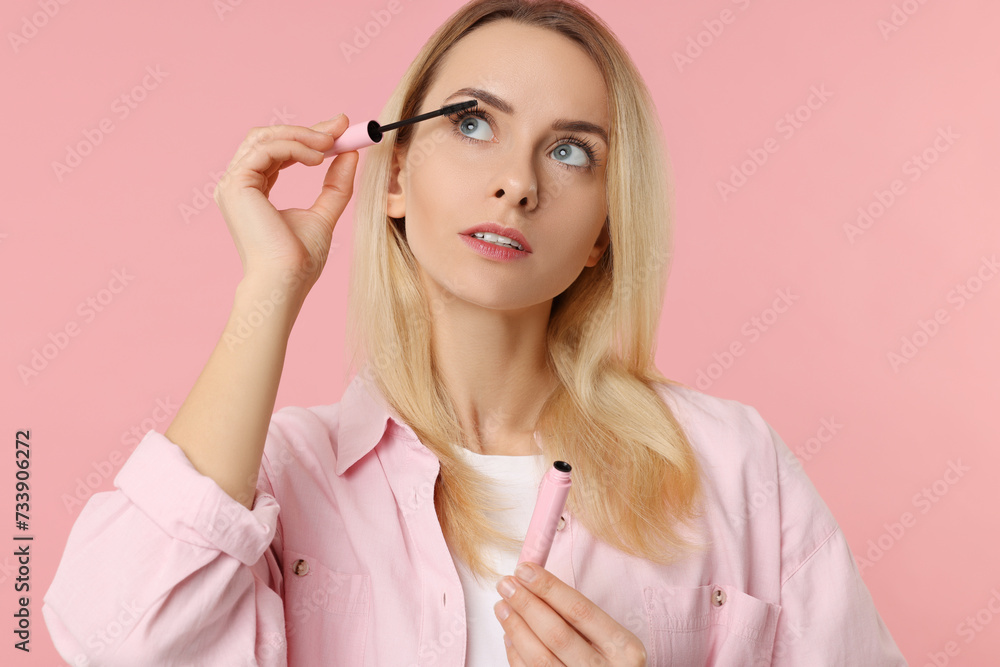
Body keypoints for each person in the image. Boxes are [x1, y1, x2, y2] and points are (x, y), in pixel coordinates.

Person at [42, 0, 909, 665]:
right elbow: (117, 638)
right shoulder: (273, 479)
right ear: (393, 174)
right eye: (470, 122)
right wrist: (269, 287)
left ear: (603, 229)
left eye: (571, 151)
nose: (517, 183)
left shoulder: (732, 462)